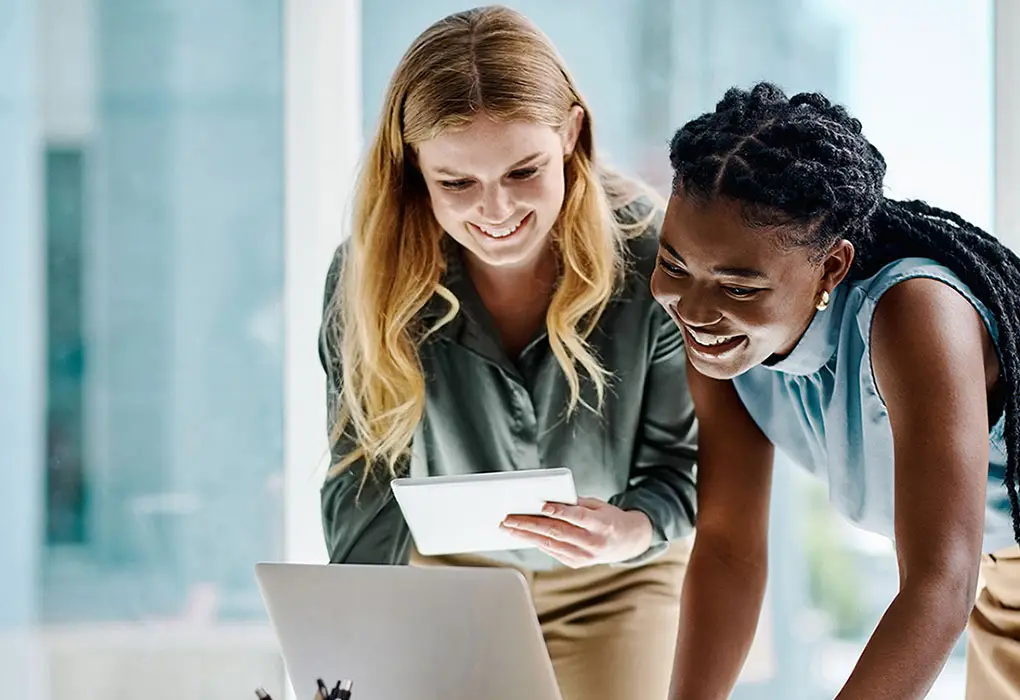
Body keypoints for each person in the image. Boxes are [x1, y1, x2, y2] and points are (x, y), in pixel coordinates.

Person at [317, 6, 698, 699]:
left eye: (524, 171)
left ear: (572, 134)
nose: (495, 211)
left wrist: (632, 529)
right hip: (452, 578)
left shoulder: (654, 258)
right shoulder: (367, 276)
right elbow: (363, 475)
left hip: (618, 579)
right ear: (414, 170)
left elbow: (686, 466)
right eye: (456, 183)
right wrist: (353, 647)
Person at [649, 82, 1020, 700]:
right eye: (674, 265)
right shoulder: (722, 344)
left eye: (738, 287)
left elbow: (937, 584)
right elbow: (729, 548)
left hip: (972, 582)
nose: (692, 308)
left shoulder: (913, 313)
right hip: (994, 584)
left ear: (833, 267)